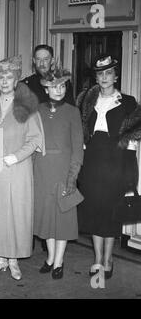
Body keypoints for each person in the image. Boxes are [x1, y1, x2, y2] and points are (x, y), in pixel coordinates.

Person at [0, 56, 44, 280]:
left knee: (15, 215)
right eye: (1, 77)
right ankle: (0, 259)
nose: (5, 81)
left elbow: (35, 139)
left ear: (16, 81)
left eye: (9, 77)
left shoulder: (27, 106)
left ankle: (13, 261)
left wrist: (15, 157)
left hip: (17, 171)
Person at [77, 54, 141, 279]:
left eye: (108, 73)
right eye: (100, 74)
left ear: (116, 75)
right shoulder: (86, 99)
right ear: (96, 77)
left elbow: (132, 140)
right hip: (92, 159)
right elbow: (82, 134)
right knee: (94, 208)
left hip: (116, 159)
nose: (104, 78)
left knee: (111, 211)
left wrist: (131, 172)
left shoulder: (128, 102)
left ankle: (108, 258)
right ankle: (97, 259)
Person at [33, 68, 84, 279]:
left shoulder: (73, 112)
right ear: (46, 89)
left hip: (64, 171)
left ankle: (59, 261)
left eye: (63, 86)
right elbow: (32, 141)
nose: (59, 90)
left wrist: (73, 175)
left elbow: (77, 147)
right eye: (55, 86)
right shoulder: (37, 110)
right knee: (46, 217)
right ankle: (50, 257)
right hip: (42, 171)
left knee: (63, 217)